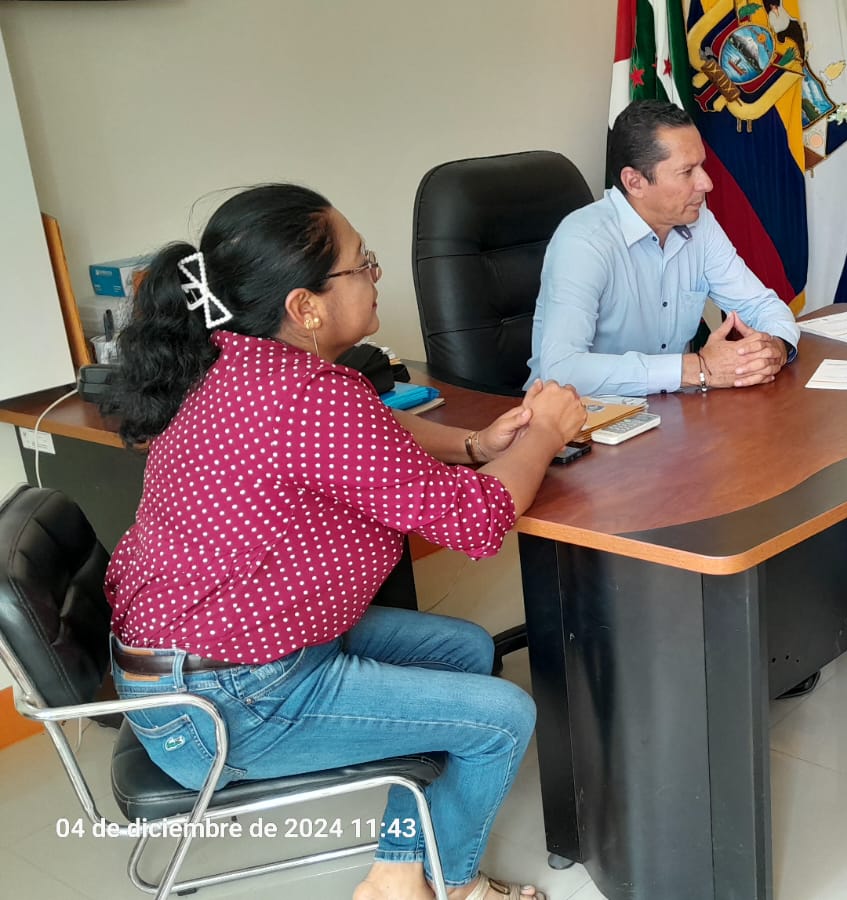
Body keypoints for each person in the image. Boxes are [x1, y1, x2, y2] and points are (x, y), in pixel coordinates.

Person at [103, 184, 587, 900]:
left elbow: (364, 432)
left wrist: (478, 444)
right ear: (306, 307)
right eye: (362, 265)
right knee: (503, 719)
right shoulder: (307, 394)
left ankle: (397, 872)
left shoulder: (235, 360)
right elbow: (477, 521)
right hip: (219, 703)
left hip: (196, 663)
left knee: (465, 649)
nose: (375, 274)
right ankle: (451, 885)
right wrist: (544, 433)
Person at [525, 98, 801, 397]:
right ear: (634, 182)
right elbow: (562, 369)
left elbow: (762, 306)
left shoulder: (700, 224)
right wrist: (696, 368)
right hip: (581, 416)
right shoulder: (584, 242)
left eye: (702, 166)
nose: (706, 183)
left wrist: (775, 347)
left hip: (668, 411)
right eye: (687, 172)